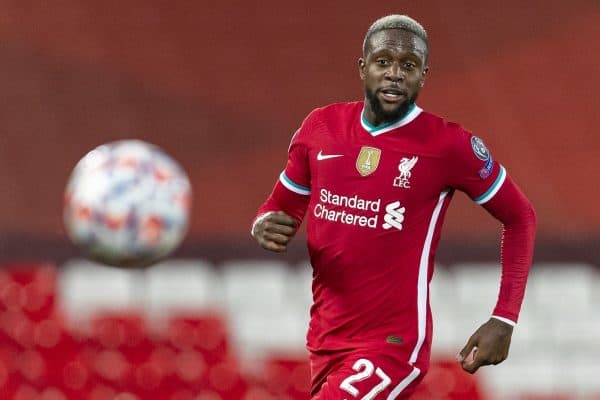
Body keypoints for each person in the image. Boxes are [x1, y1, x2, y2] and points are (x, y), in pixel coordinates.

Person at [251, 14, 536, 399]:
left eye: (409, 65)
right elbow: (280, 207)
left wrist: (504, 317)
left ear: (423, 75)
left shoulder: (448, 146)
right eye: (383, 61)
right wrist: (263, 223)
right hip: (325, 338)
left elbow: (520, 216)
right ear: (363, 66)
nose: (395, 74)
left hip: (392, 345)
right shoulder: (320, 128)